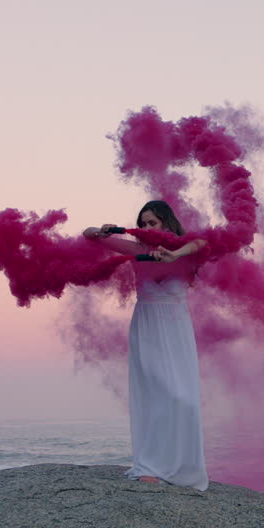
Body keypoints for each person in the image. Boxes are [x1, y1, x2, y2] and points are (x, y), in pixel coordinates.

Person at [83, 200, 208, 490]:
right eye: (144, 223)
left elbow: (204, 242)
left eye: (153, 222)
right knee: (155, 392)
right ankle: (150, 465)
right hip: (148, 324)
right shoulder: (138, 249)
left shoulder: (184, 250)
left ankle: (182, 467)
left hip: (176, 326)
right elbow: (87, 233)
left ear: (166, 222)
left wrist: (174, 253)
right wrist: (101, 231)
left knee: (182, 396)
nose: (147, 228)